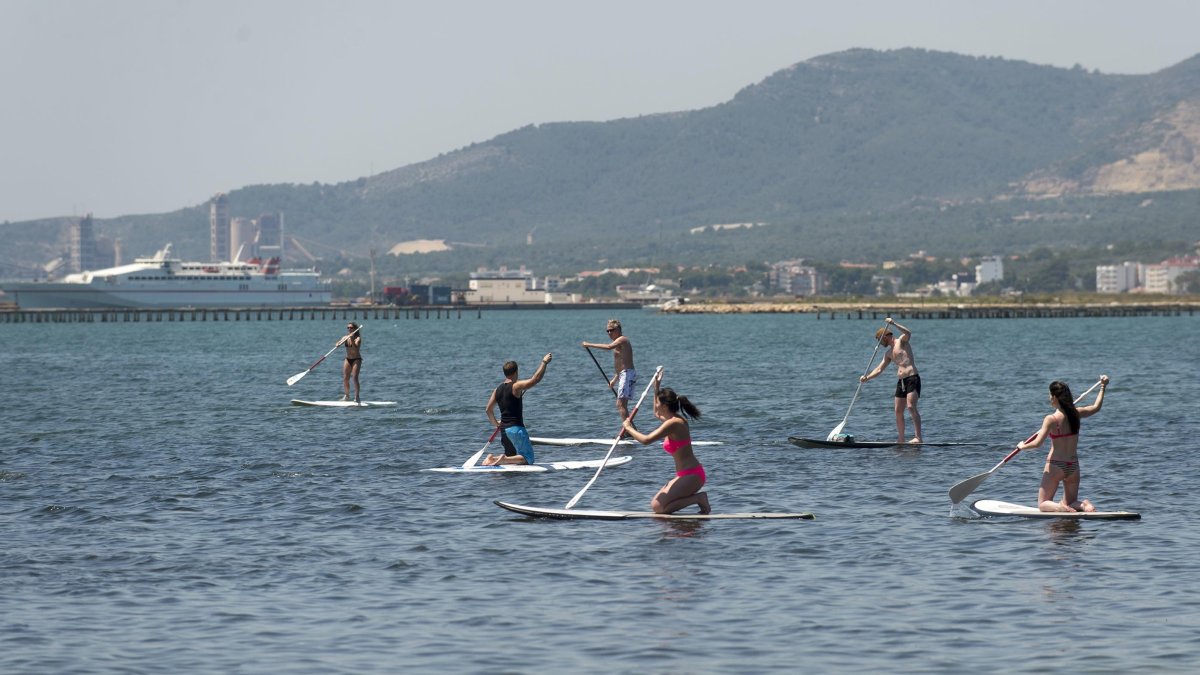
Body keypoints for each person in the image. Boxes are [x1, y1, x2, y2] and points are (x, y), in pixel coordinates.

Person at [620, 371, 710, 514]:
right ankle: (696, 500)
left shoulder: (675, 424)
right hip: (684, 474)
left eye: (658, 402)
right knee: (657, 505)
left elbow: (646, 440)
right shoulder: (671, 420)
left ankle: (698, 499)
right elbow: (657, 413)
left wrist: (628, 428)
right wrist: (657, 386)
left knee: (658, 507)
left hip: (693, 475)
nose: (656, 404)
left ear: (664, 405)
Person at [1016, 375, 1109, 512]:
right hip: (1073, 466)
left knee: (1043, 504)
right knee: (1071, 502)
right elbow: (1096, 407)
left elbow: (1037, 444)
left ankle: (1060, 507)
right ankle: (1084, 505)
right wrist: (1103, 387)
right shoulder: (1076, 413)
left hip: (1056, 465)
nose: (1049, 398)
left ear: (1055, 397)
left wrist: (1022, 446)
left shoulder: (1051, 419)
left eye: (1050, 395)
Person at [860, 317, 922, 444]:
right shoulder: (888, 353)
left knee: (911, 406)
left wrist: (893, 323)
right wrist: (867, 378)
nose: (879, 342)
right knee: (898, 411)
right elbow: (879, 369)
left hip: (912, 378)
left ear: (886, 336)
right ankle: (901, 439)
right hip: (901, 382)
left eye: (879, 339)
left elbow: (908, 333)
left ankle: (918, 437)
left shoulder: (901, 342)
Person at [482, 353, 552, 466]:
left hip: (504, 431)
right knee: (528, 458)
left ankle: (492, 459)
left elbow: (488, 410)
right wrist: (544, 363)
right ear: (516, 372)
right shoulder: (516, 386)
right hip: (516, 430)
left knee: (514, 460)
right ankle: (503, 459)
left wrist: (496, 424)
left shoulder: (497, 390)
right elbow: (535, 379)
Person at [581, 318, 636, 421]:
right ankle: (629, 430)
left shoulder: (622, 339)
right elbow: (621, 364)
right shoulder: (617, 343)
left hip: (627, 375)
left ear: (618, 329)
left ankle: (628, 431)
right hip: (623, 375)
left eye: (612, 330)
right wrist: (615, 379)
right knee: (621, 405)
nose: (609, 333)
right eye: (607, 331)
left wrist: (589, 344)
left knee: (620, 404)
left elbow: (608, 347)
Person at [340, 323, 363, 403]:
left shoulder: (358, 338)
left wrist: (352, 339)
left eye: (351, 328)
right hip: (348, 359)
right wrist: (338, 344)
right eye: (348, 328)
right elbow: (338, 343)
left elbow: (355, 348)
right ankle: (347, 396)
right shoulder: (345, 337)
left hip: (356, 359)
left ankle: (357, 397)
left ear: (355, 329)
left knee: (354, 378)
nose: (349, 329)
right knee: (345, 378)